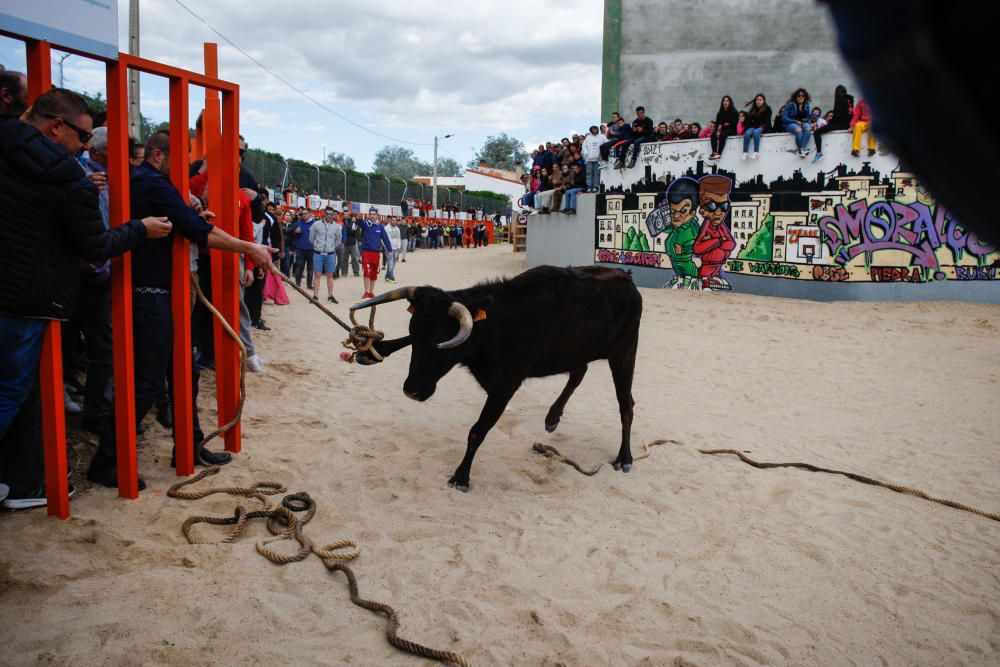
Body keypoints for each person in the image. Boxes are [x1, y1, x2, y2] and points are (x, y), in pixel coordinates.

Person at [0, 89, 174, 508]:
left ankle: (21, 482)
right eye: (81, 136)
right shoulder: (65, 175)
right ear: (55, 126)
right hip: (26, 298)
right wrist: (140, 229)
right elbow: (94, 245)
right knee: (11, 391)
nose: (84, 145)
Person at [85, 130, 275, 491]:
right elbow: (197, 231)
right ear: (158, 154)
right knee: (148, 380)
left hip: (164, 291)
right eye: (181, 153)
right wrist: (248, 248)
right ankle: (106, 460)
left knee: (184, 370)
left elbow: (191, 226)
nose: (186, 163)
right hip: (152, 292)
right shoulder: (152, 183)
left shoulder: (152, 183)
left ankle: (189, 446)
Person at [663, 177, 702, 290]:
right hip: (674, 259)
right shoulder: (675, 227)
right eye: (673, 211)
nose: (676, 216)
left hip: (685, 259)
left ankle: (689, 280)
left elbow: (696, 244)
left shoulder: (691, 228)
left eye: (683, 211)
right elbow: (667, 229)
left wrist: (683, 250)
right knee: (678, 269)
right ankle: (680, 278)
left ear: (692, 213)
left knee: (687, 269)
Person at [812, 85, 855, 162]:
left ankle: (819, 153)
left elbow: (837, 115)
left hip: (841, 124)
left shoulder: (839, 100)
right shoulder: (850, 101)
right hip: (848, 124)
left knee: (816, 132)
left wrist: (830, 123)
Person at [308, 206, 341, 303]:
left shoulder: (336, 226)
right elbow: (311, 237)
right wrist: (317, 246)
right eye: (327, 214)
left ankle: (330, 296)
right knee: (317, 274)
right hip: (318, 253)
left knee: (330, 275)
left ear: (333, 215)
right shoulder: (316, 224)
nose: (329, 216)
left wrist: (331, 247)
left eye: (331, 214)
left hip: (330, 254)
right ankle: (315, 296)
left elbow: (338, 239)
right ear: (324, 214)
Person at [359, 209, 393, 299]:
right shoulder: (366, 224)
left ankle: (371, 292)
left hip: (376, 253)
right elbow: (360, 223)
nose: (372, 216)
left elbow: (385, 239)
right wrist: (358, 218)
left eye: (374, 214)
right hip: (366, 252)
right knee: (367, 271)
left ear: (377, 216)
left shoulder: (380, 227)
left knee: (374, 273)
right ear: (368, 215)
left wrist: (390, 250)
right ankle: (366, 292)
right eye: (370, 214)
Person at [782, 88, 813, 158]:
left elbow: (808, 116)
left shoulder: (806, 105)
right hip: (790, 123)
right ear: (796, 97)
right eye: (799, 96)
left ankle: (802, 149)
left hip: (801, 123)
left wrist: (804, 120)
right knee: (799, 130)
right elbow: (784, 118)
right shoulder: (790, 105)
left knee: (808, 128)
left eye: (803, 96)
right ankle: (801, 150)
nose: (801, 97)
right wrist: (795, 121)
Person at [741, 94, 772, 160]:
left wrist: (765, 128)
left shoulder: (767, 109)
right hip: (755, 127)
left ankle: (756, 152)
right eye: (757, 100)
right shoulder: (753, 110)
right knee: (747, 133)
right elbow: (749, 121)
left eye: (760, 100)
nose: (759, 101)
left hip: (763, 127)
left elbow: (767, 121)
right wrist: (746, 129)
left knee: (756, 132)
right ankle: (745, 153)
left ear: (764, 101)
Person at [709, 96, 738, 160]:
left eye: (727, 101)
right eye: (724, 101)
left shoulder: (734, 112)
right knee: (713, 135)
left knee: (722, 135)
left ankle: (719, 153)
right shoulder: (720, 113)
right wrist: (717, 130)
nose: (725, 102)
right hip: (722, 129)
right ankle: (714, 152)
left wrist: (724, 126)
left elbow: (734, 124)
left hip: (732, 129)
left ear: (730, 102)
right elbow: (718, 124)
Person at [291, 210, 315, 288]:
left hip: (311, 249)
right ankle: (297, 283)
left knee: (310, 268)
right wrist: (296, 232)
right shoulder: (298, 223)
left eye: (305, 213)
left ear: (310, 214)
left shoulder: (314, 224)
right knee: (299, 267)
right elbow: (292, 234)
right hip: (300, 249)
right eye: (302, 214)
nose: (304, 215)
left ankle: (309, 284)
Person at [385, 218, 401, 283]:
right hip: (389, 249)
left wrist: (399, 247)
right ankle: (391, 277)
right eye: (393, 220)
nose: (394, 221)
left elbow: (399, 238)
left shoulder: (397, 229)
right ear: (390, 221)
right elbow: (383, 238)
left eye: (395, 220)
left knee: (392, 264)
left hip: (396, 249)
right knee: (391, 263)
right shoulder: (386, 228)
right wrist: (386, 247)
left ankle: (387, 275)